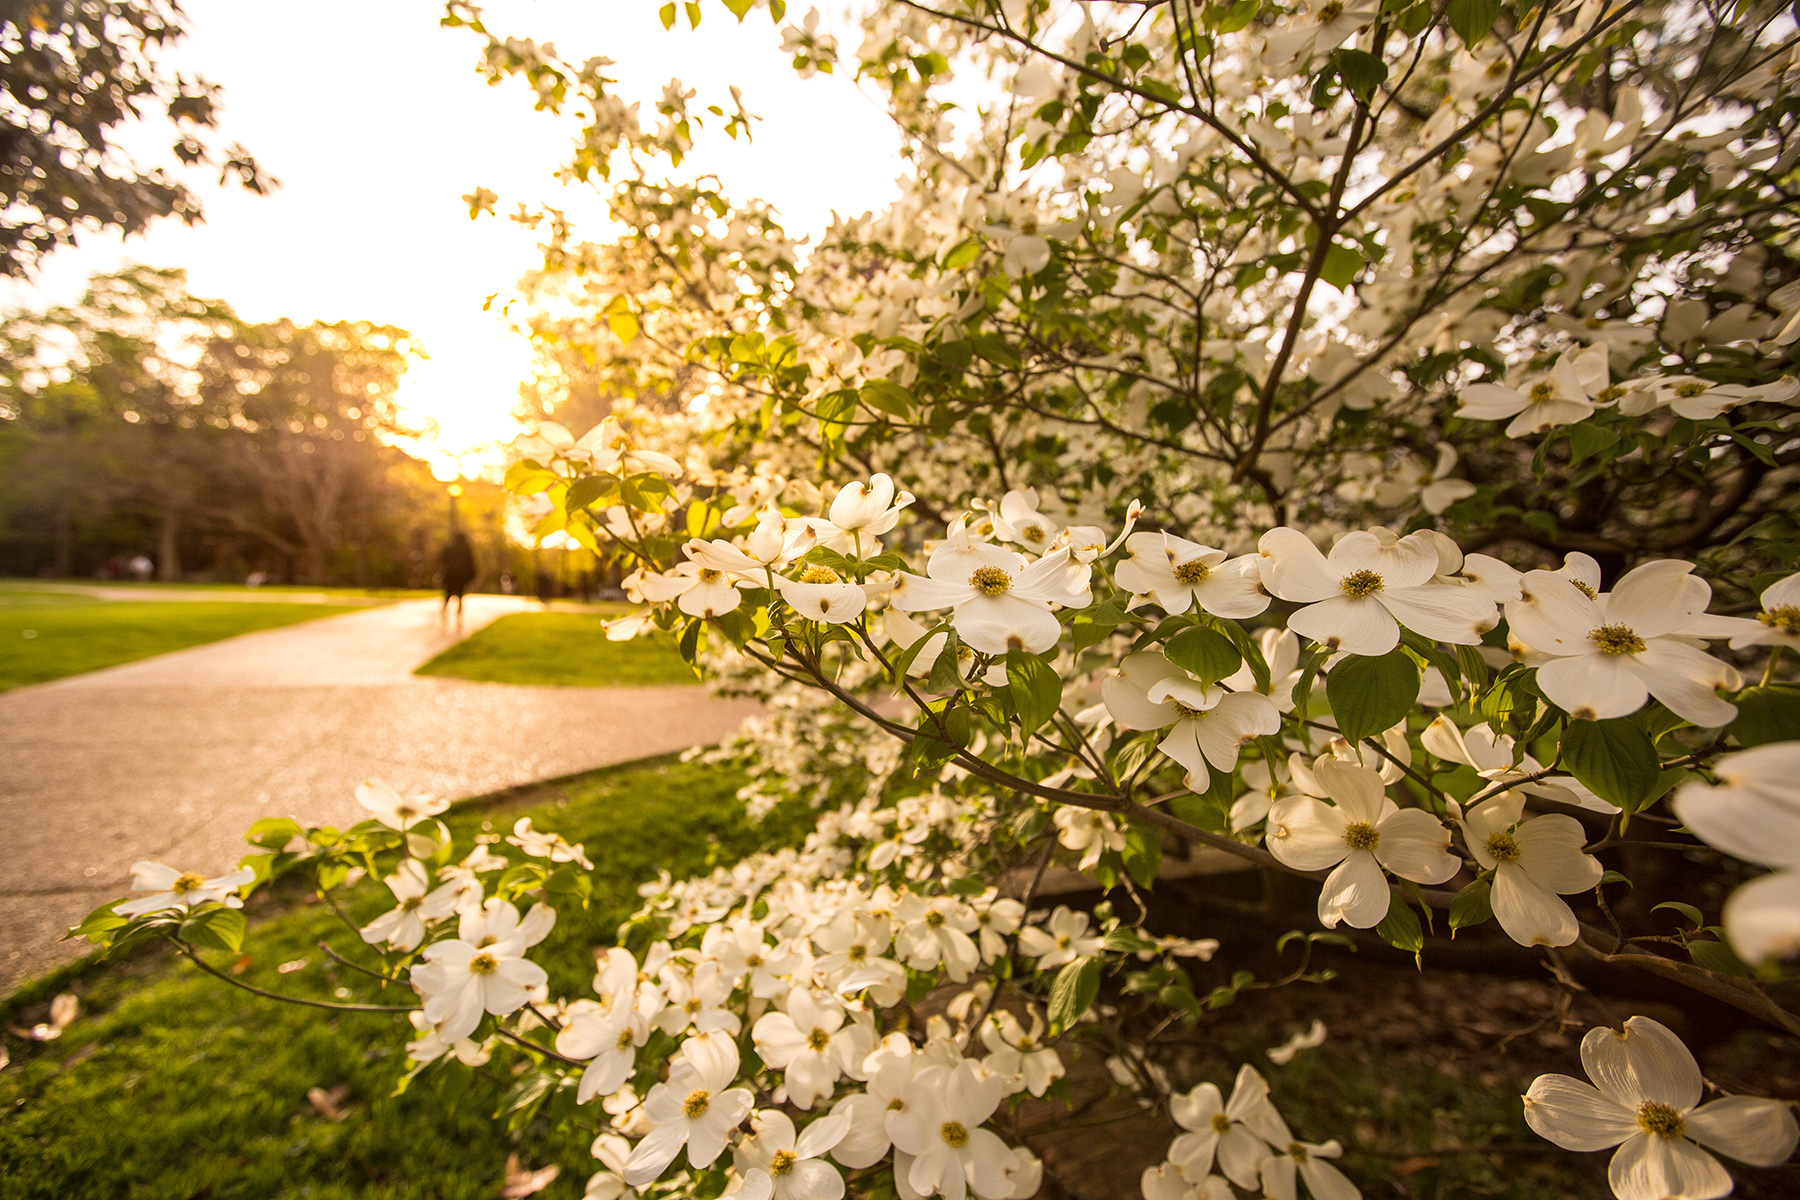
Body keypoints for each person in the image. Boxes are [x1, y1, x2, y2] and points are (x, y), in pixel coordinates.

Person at [439, 531, 477, 626]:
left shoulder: (450, 547)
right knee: (460, 596)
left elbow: (442, 559)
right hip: (461, 577)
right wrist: (472, 575)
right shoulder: (465, 549)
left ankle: (445, 613)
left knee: (448, 595)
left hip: (451, 576)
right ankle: (458, 616)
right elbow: (471, 563)